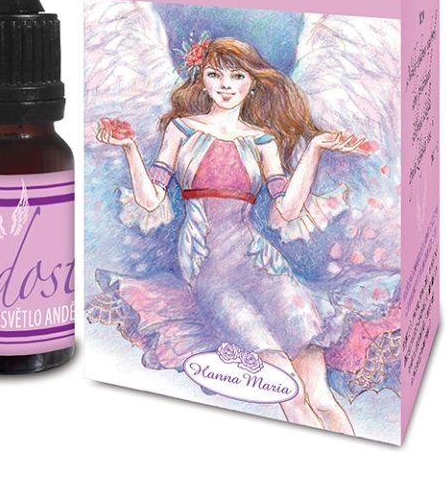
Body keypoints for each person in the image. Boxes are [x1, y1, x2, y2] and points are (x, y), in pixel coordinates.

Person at [91, 35, 374, 434]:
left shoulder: (262, 140)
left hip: (263, 266)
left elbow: (287, 209)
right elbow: (151, 199)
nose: (225, 85)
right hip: (210, 273)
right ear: (201, 79)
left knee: (320, 394)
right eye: (215, 74)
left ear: (252, 83)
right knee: (286, 387)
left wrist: (314, 150)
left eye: (237, 76)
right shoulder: (181, 130)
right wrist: (129, 149)